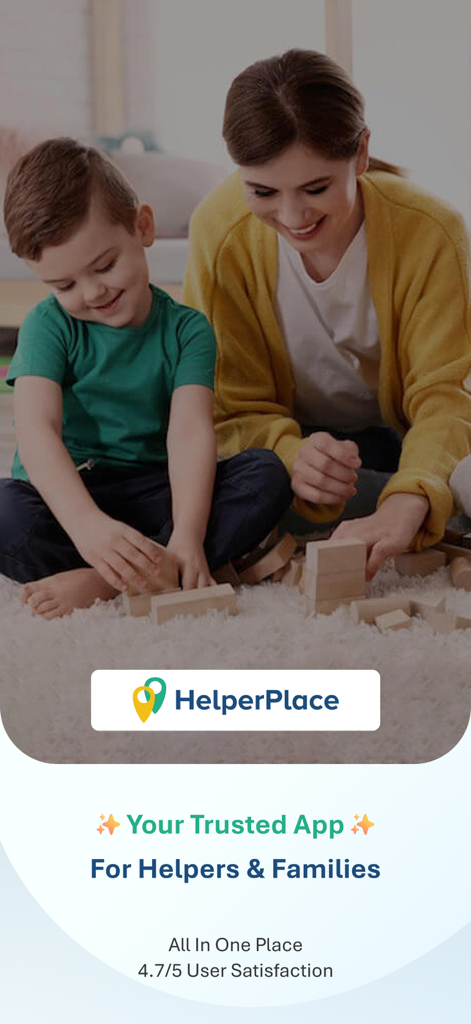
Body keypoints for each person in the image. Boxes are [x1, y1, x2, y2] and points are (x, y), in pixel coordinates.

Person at [183, 48, 471, 578]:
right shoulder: (219, 231)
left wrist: (410, 496)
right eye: (263, 191)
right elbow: (226, 407)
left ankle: (406, 497)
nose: (292, 217)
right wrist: (294, 455)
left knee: (457, 473)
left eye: (315, 188)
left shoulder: (432, 231)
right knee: (224, 483)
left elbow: (445, 395)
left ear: (361, 154)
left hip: (400, 437)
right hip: (293, 453)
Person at [0, 138, 292, 619]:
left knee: (266, 475)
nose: (92, 293)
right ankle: (155, 567)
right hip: (73, 491)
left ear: (143, 227)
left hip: (159, 491)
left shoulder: (188, 330)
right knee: (5, 511)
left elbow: (190, 433)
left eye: (104, 266)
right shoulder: (47, 325)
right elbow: (36, 432)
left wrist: (189, 533)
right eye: (65, 285)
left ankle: (105, 580)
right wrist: (88, 528)